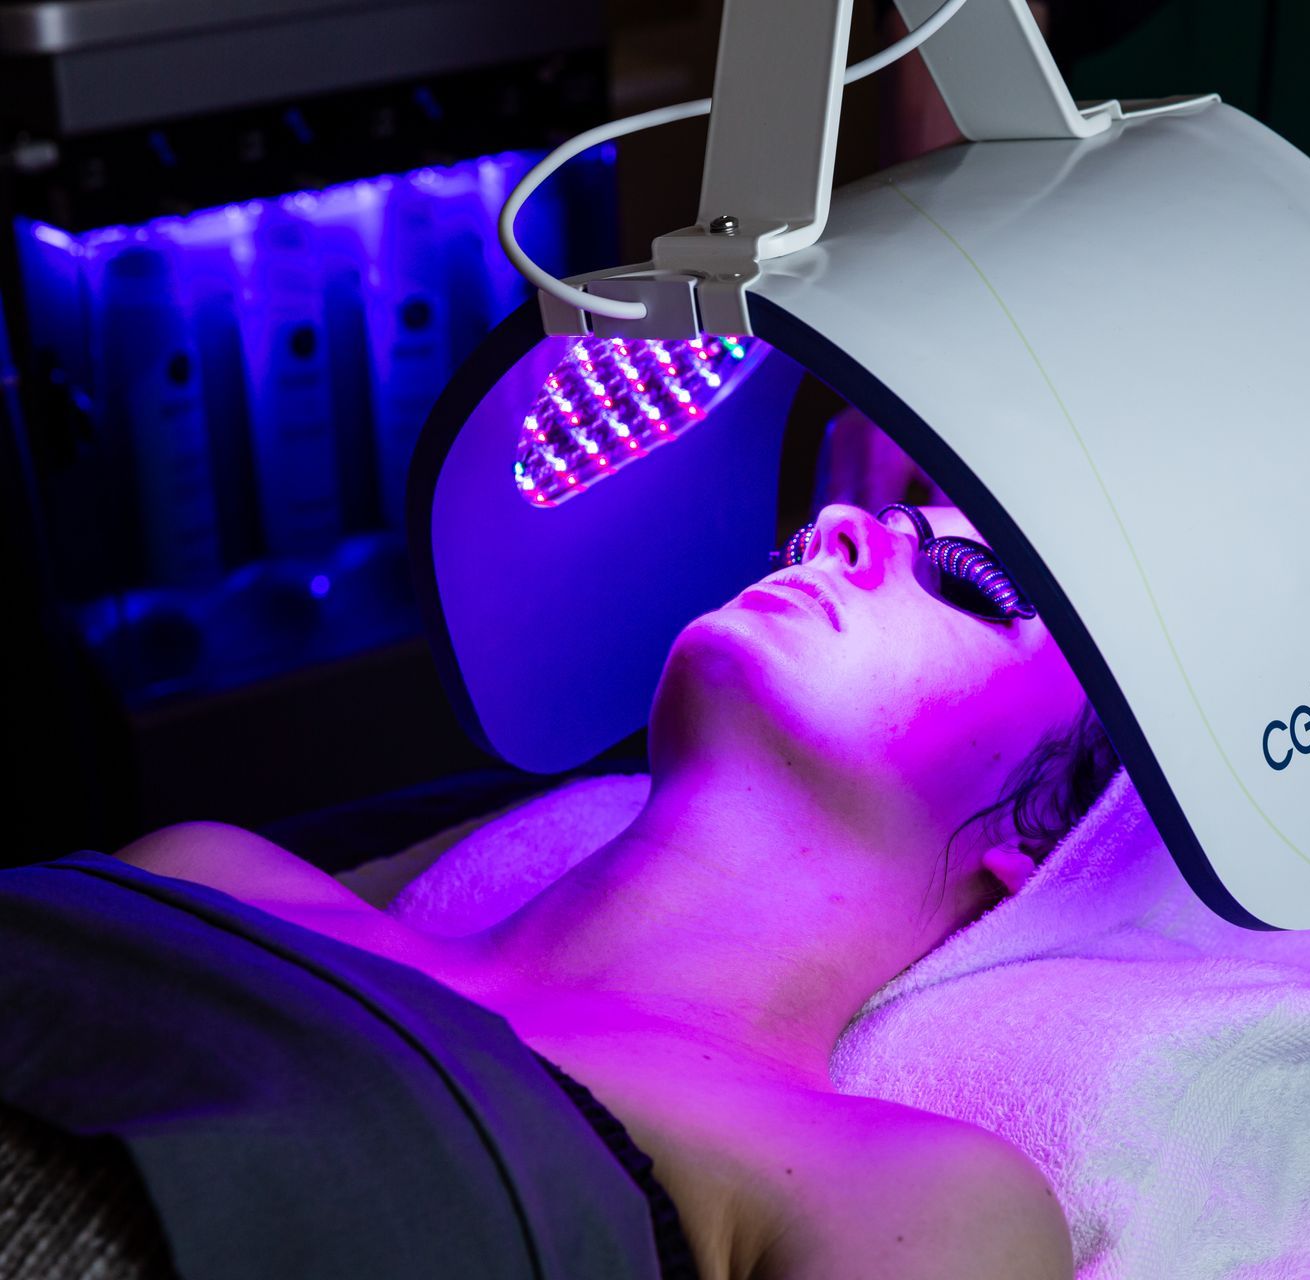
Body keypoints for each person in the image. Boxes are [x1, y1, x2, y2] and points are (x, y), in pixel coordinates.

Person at [114, 501, 1118, 1280]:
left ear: (1038, 842)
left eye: (968, 586)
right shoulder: (212, 873)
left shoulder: (898, 1190)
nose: (839, 528)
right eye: (815, 534)